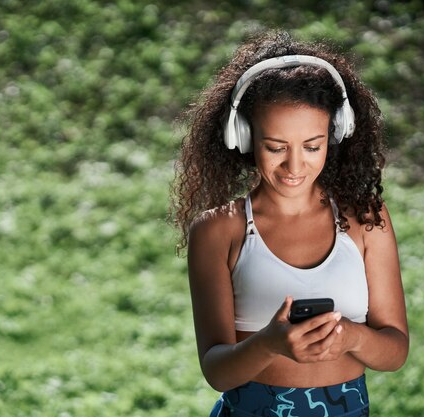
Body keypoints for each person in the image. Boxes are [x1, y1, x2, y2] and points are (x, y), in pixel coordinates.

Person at [170, 30, 409, 416]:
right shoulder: (218, 231)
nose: (295, 166)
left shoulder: (366, 219)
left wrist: (351, 337)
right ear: (244, 137)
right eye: (276, 147)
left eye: (312, 147)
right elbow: (217, 371)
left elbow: (395, 351)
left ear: (335, 135)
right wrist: (270, 344)